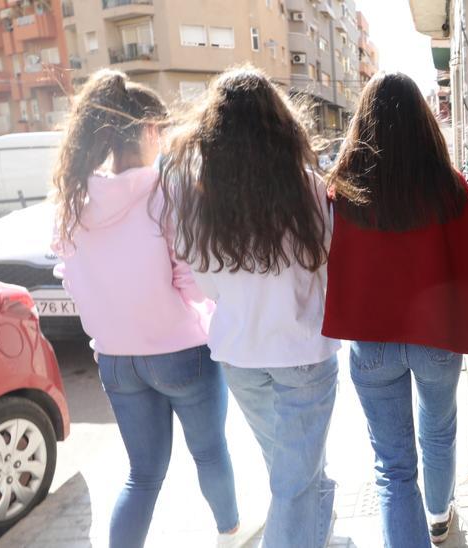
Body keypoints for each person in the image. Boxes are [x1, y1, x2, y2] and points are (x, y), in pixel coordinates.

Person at [50, 69, 240, 548]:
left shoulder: (74, 201)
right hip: (181, 352)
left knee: (143, 476)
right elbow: (190, 277)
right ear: (151, 130)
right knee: (211, 454)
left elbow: (71, 278)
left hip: (116, 360)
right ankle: (230, 534)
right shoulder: (164, 189)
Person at [158, 66, 341, 548]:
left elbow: (205, 284)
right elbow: (326, 261)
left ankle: (318, 536)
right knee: (295, 482)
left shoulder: (200, 198)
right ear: (279, 123)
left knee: (292, 474)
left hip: (240, 354)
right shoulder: (306, 185)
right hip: (302, 350)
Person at [325, 72, 468, 547]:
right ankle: (439, 521)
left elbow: (324, 263)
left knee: (393, 468)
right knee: (438, 436)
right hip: (437, 339)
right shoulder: (450, 188)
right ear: (425, 125)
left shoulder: (342, 194)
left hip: (372, 343)